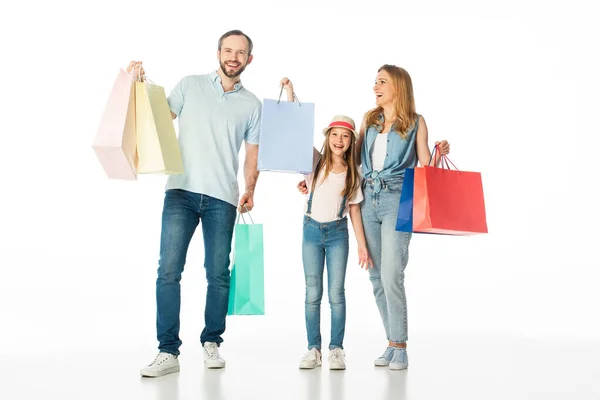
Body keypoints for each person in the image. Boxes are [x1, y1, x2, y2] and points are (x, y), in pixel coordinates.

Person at [297, 65, 450, 370]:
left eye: (382, 82)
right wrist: (316, 180)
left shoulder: (416, 123)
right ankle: (391, 343)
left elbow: (423, 165)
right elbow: (349, 161)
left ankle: (400, 345)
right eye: (375, 81)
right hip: (367, 199)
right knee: (376, 276)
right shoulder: (369, 120)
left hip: (398, 198)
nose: (375, 87)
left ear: (399, 87)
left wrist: (438, 152)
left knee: (393, 274)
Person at [131, 30, 264, 377]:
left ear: (249, 59)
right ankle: (168, 351)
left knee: (218, 274)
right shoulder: (190, 85)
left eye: (241, 53)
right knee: (169, 271)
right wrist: (142, 84)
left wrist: (250, 188)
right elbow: (160, 116)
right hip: (181, 191)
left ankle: (212, 342)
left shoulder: (252, 105)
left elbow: (253, 155)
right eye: (228, 50)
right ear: (218, 52)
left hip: (223, 197)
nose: (233, 57)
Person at [281, 79, 373, 371]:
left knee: (336, 294)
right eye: (335, 135)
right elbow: (294, 132)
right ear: (328, 137)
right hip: (311, 232)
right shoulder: (314, 162)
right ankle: (313, 348)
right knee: (312, 293)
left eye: (345, 137)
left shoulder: (353, 174)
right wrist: (290, 94)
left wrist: (362, 245)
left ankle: (336, 349)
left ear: (350, 143)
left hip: (337, 234)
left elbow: (355, 211)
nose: (339, 140)